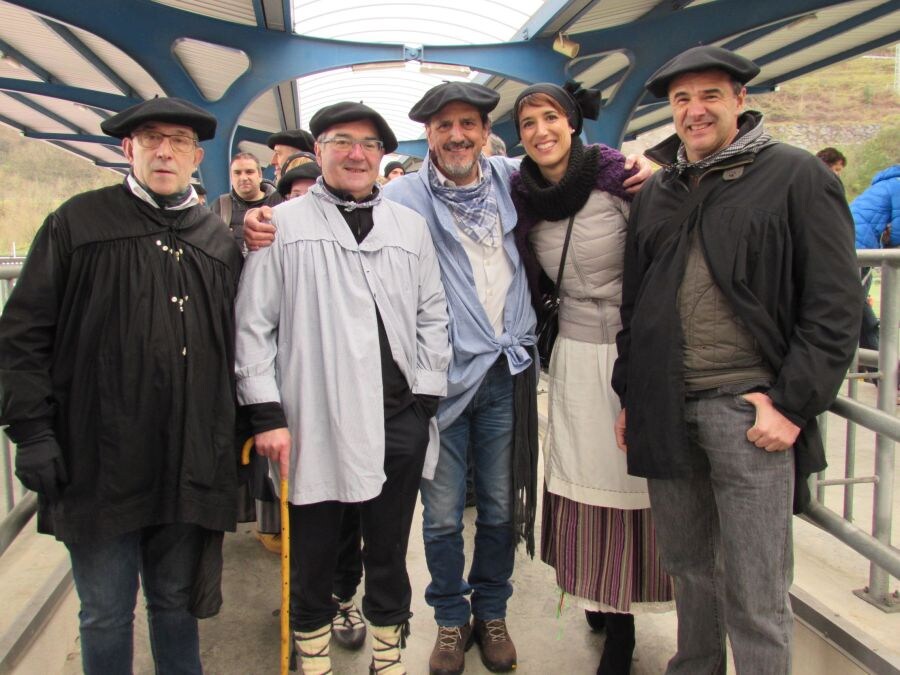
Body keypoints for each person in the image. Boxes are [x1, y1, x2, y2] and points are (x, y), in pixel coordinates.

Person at [243, 82, 651, 675]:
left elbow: (577, 169)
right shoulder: (403, 197)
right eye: (442, 126)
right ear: (425, 137)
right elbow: (333, 223)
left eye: (468, 124)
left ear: (487, 133)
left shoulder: (514, 181)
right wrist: (262, 219)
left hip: (506, 373)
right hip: (442, 384)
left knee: (498, 507)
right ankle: (449, 622)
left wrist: (641, 164)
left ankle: (492, 611)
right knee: (437, 516)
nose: (457, 135)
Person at [611, 46, 861, 674]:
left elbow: (836, 305)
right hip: (666, 406)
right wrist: (630, 399)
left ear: (741, 100)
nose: (695, 112)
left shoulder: (797, 176)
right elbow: (635, 307)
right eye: (681, 100)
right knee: (689, 570)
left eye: (710, 96)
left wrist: (794, 405)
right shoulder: (658, 192)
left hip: (750, 411)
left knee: (756, 584)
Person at [0, 97, 243, 675]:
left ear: (196, 157)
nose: (165, 150)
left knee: (176, 606)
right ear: (126, 149)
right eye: (151, 138)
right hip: (98, 461)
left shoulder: (217, 241)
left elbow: (245, 348)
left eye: (178, 140)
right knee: (106, 612)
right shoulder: (77, 223)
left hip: (187, 462)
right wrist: (31, 430)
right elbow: (22, 333)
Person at [234, 101, 450, 675]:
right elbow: (253, 326)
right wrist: (267, 415)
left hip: (396, 418)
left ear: (382, 155)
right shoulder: (282, 225)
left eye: (370, 144)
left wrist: (423, 397)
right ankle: (314, 660)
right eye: (341, 141)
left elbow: (434, 313)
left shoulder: (409, 228)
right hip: (313, 421)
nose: (357, 153)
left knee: (387, 551)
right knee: (314, 553)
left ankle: (387, 658)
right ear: (318, 150)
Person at [509, 81, 673, 675]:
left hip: (634, 349)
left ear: (573, 123)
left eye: (550, 117)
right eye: (527, 123)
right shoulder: (519, 191)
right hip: (575, 352)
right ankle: (608, 604)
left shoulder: (620, 177)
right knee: (585, 478)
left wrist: (656, 170)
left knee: (636, 480)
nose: (540, 131)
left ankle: (629, 611)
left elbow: (670, 234)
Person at [850, 164, 900, 362]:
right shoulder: (898, 185)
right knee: (860, 312)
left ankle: (877, 372)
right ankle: (883, 376)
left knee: (858, 308)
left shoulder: (883, 184)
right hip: (859, 250)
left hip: (851, 247)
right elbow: (897, 231)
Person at [212, 152, 281, 249]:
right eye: (237, 173)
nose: (243, 178)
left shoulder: (279, 203)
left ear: (260, 175)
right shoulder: (219, 206)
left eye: (249, 172)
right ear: (231, 178)